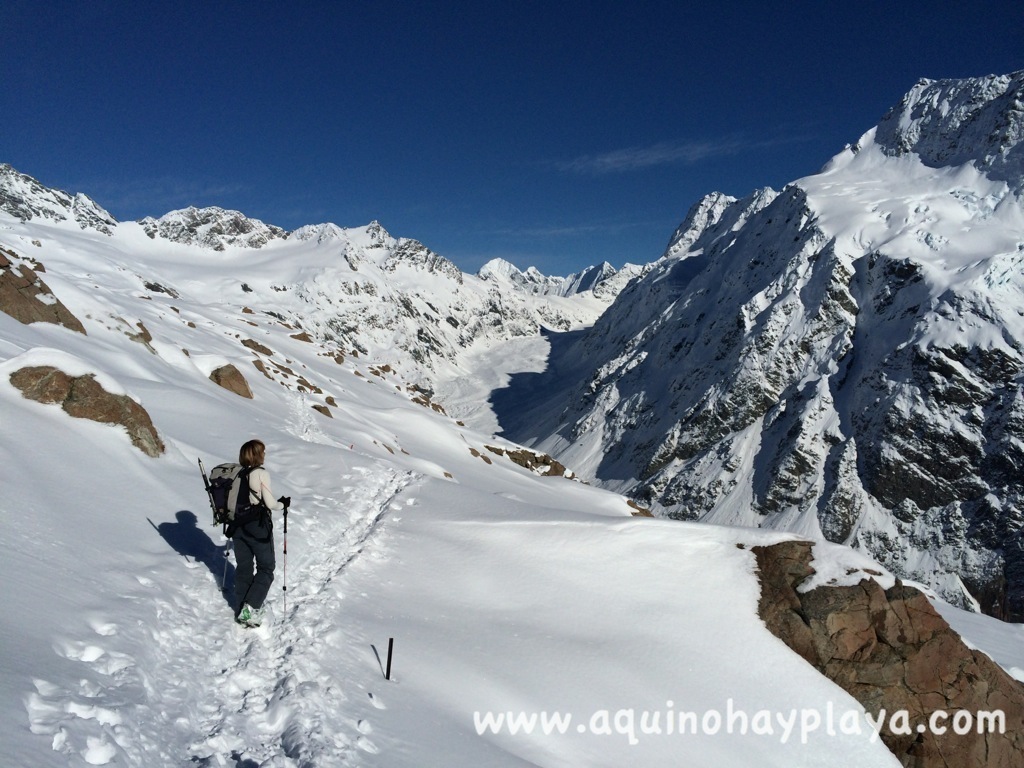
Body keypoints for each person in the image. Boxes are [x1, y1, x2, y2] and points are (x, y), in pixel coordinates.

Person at [227, 439, 289, 627]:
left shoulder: (236, 474)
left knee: (244, 568)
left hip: (237, 527)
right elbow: (270, 504)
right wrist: (283, 504)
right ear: (257, 454)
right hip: (257, 527)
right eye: (262, 451)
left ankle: (241, 608)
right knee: (266, 568)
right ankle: (250, 608)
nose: (265, 454)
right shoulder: (260, 473)